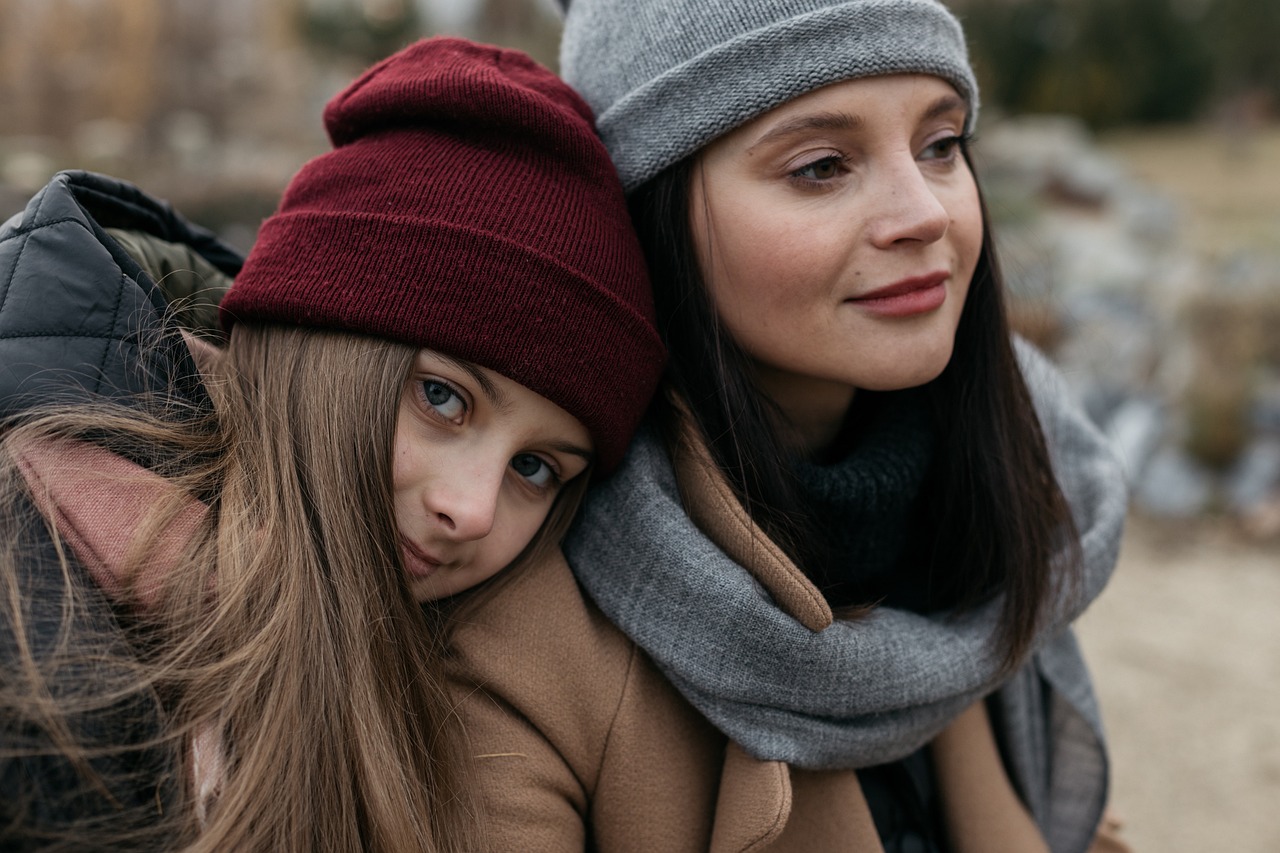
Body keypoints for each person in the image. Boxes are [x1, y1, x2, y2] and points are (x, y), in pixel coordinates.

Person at [444, 1, 1130, 851]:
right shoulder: (518, 645)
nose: (924, 213)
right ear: (654, 210)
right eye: (821, 166)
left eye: (941, 144)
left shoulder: (1001, 488)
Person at [0, 37, 663, 852]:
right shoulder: (34, 617)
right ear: (320, 342)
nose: (472, 508)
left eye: (536, 467)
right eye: (443, 397)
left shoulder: (398, 661)